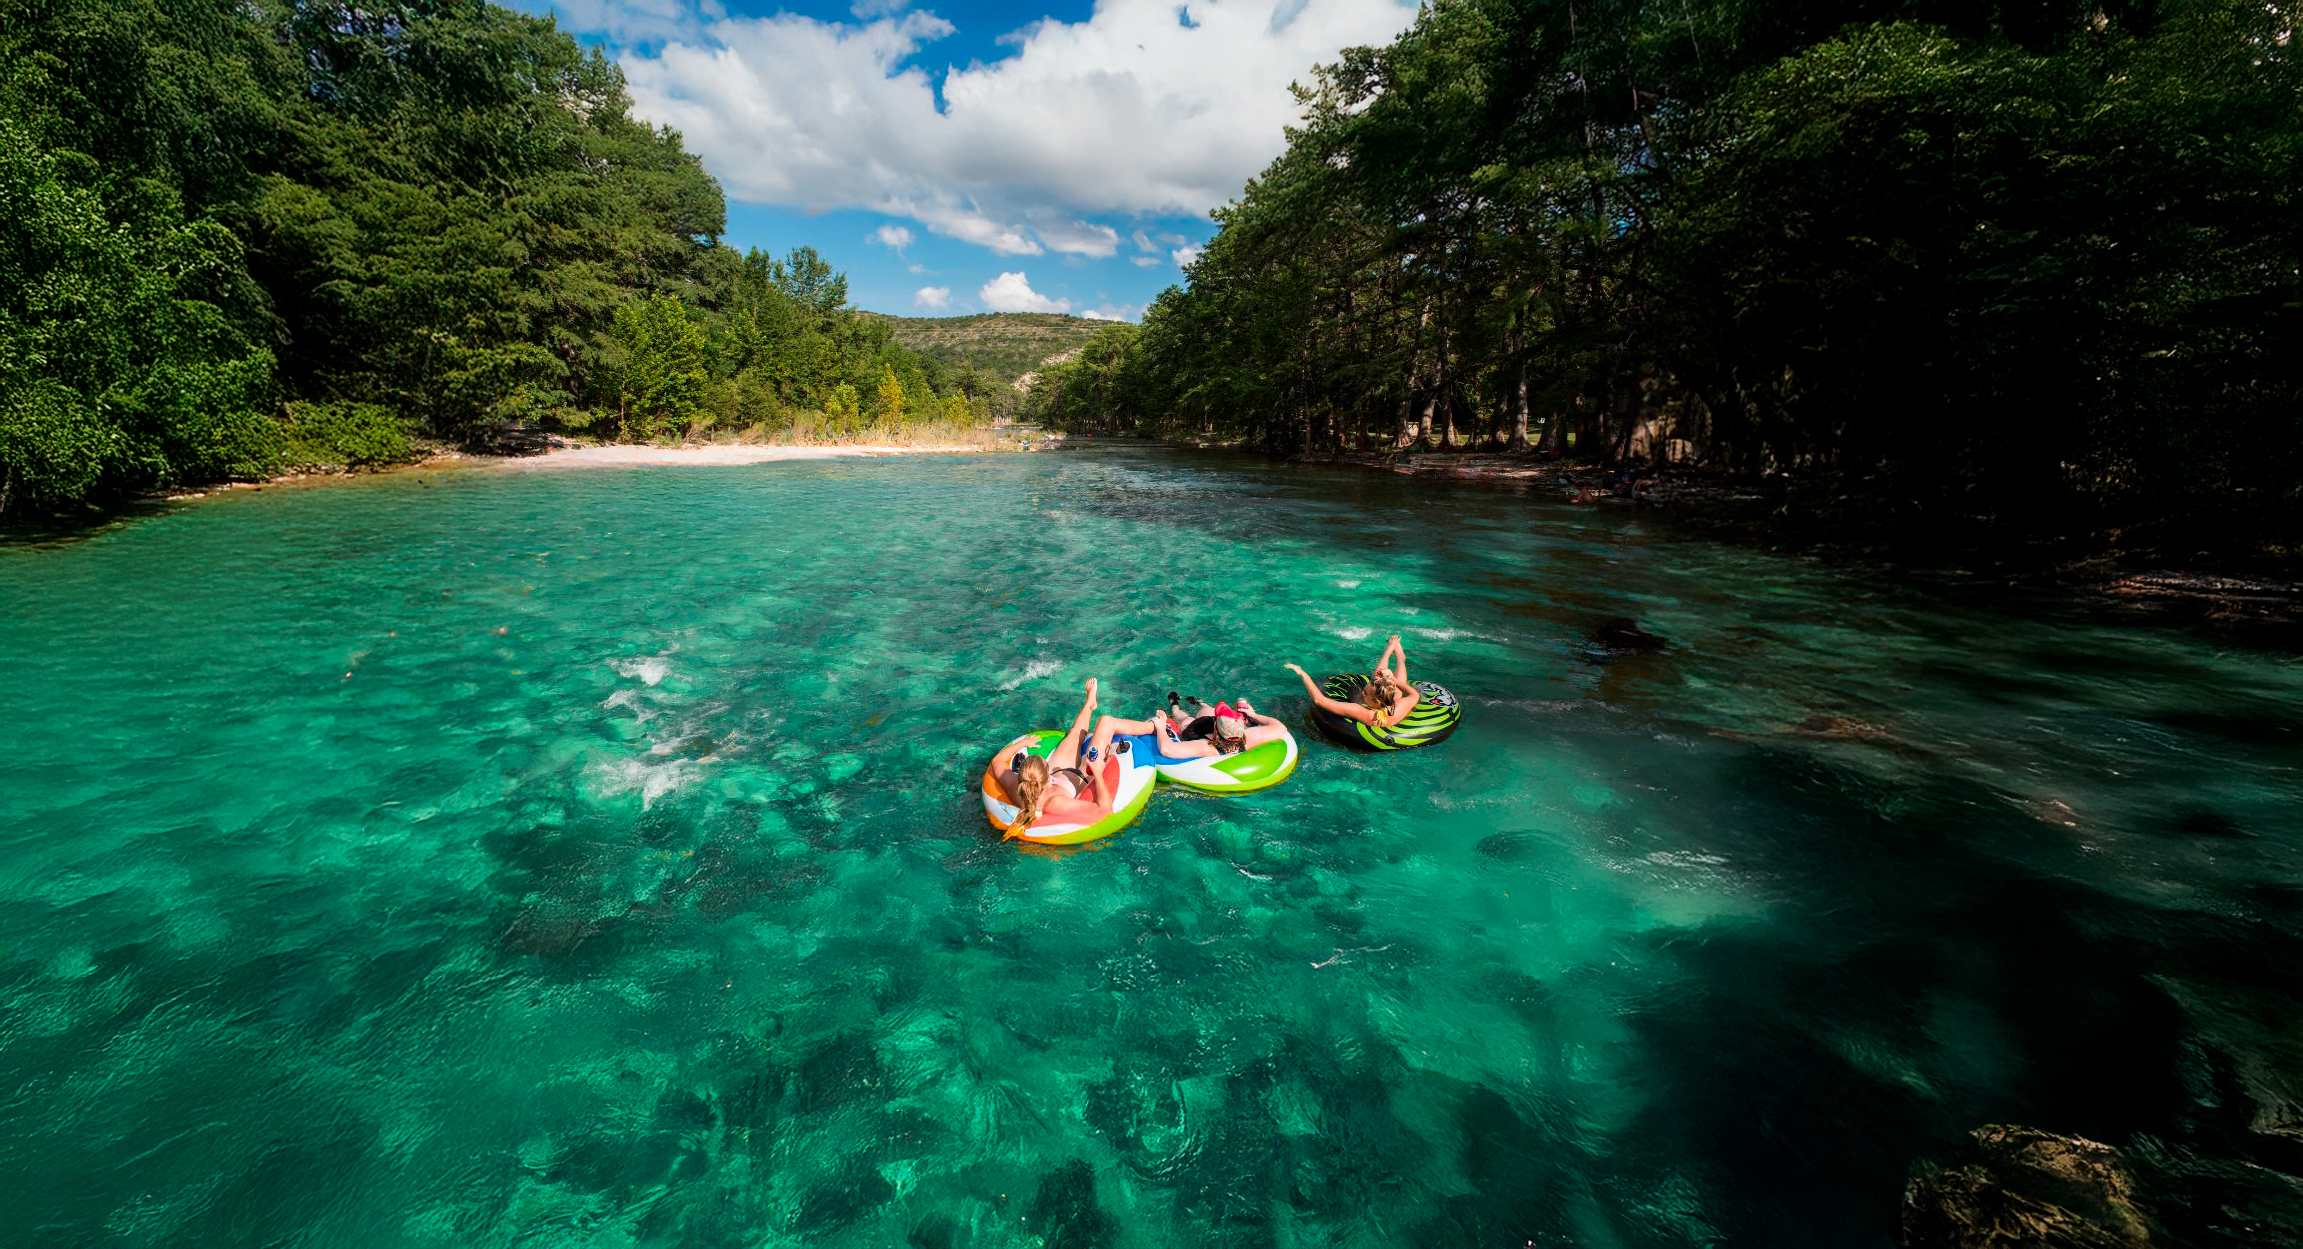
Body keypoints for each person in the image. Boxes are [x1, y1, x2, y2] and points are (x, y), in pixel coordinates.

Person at [995, 678, 1116, 836]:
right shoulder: (1055, 803)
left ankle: (1090, 703)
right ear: (1045, 775)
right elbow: (1105, 811)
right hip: (1081, 774)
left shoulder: (1020, 794)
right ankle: (1153, 727)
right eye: (1044, 762)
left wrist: (1023, 743)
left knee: (1075, 732)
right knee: (1105, 725)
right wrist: (1098, 774)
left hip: (1059, 773)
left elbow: (997, 761)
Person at [1285, 634, 1421, 728]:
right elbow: (1415, 695)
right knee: (1390, 688)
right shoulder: (1398, 707)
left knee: (1380, 681)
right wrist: (1392, 680)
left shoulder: (1366, 714)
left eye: (1364, 692)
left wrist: (1303, 674)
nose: (1361, 693)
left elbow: (1319, 700)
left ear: (1375, 701)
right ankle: (1399, 657)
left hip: (1373, 711)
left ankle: (1391, 652)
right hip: (1387, 697)